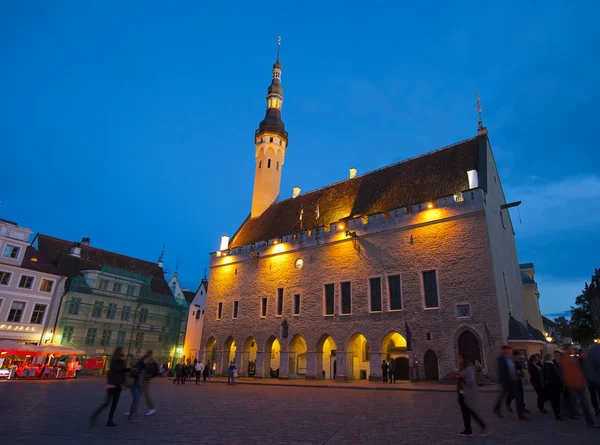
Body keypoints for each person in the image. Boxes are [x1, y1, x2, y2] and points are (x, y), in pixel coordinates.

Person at [559, 344, 598, 428]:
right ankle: (590, 422)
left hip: (576, 384)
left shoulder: (569, 358)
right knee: (584, 403)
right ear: (567, 349)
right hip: (577, 384)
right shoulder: (567, 359)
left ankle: (567, 414)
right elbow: (572, 373)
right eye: (571, 348)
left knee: (577, 402)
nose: (573, 349)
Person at [90, 347, 127, 427]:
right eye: (123, 351)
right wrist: (123, 361)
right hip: (115, 385)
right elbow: (119, 370)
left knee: (108, 403)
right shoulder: (116, 361)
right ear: (119, 352)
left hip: (113, 384)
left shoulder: (115, 360)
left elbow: (122, 370)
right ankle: (107, 420)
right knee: (112, 403)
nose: (124, 352)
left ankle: (99, 416)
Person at [456, 354, 488, 437]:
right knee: (466, 411)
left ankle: (480, 426)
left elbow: (470, 381)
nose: (458, 359)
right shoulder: (462, 367)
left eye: (460, 358)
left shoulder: (469, 368)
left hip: (466, 393)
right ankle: (468, 430)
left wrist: (460, 377)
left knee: (469, 411)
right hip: (461, 392)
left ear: (464, 358)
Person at [493, 345, 527, 420]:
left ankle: (521, 414)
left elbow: (512, 368)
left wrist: (517, 372)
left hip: (514, 380)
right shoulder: (500, 359)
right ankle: (496, 408)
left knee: (518, 396)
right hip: (506, 381)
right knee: (502, 396)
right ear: (504, 351)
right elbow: (501, 371)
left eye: (510, 350)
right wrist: (503, 381)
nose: (510, 352)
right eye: (508, 350)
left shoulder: (511, 358)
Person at [543, 352, 563, 420]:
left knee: (554, 400)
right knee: (556, 400)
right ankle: (557, 414)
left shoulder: (546, 364)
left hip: (551, 385)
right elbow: (556, 376)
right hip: (554, 385)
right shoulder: (550, 365)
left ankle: (557, 413)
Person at [580, 349, 600, 416]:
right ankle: (596, 409)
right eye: (581, 354)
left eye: (583, 353)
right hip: (590, 382)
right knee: (593, 396)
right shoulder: (580, 362)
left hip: (596, 380)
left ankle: (597, 409)